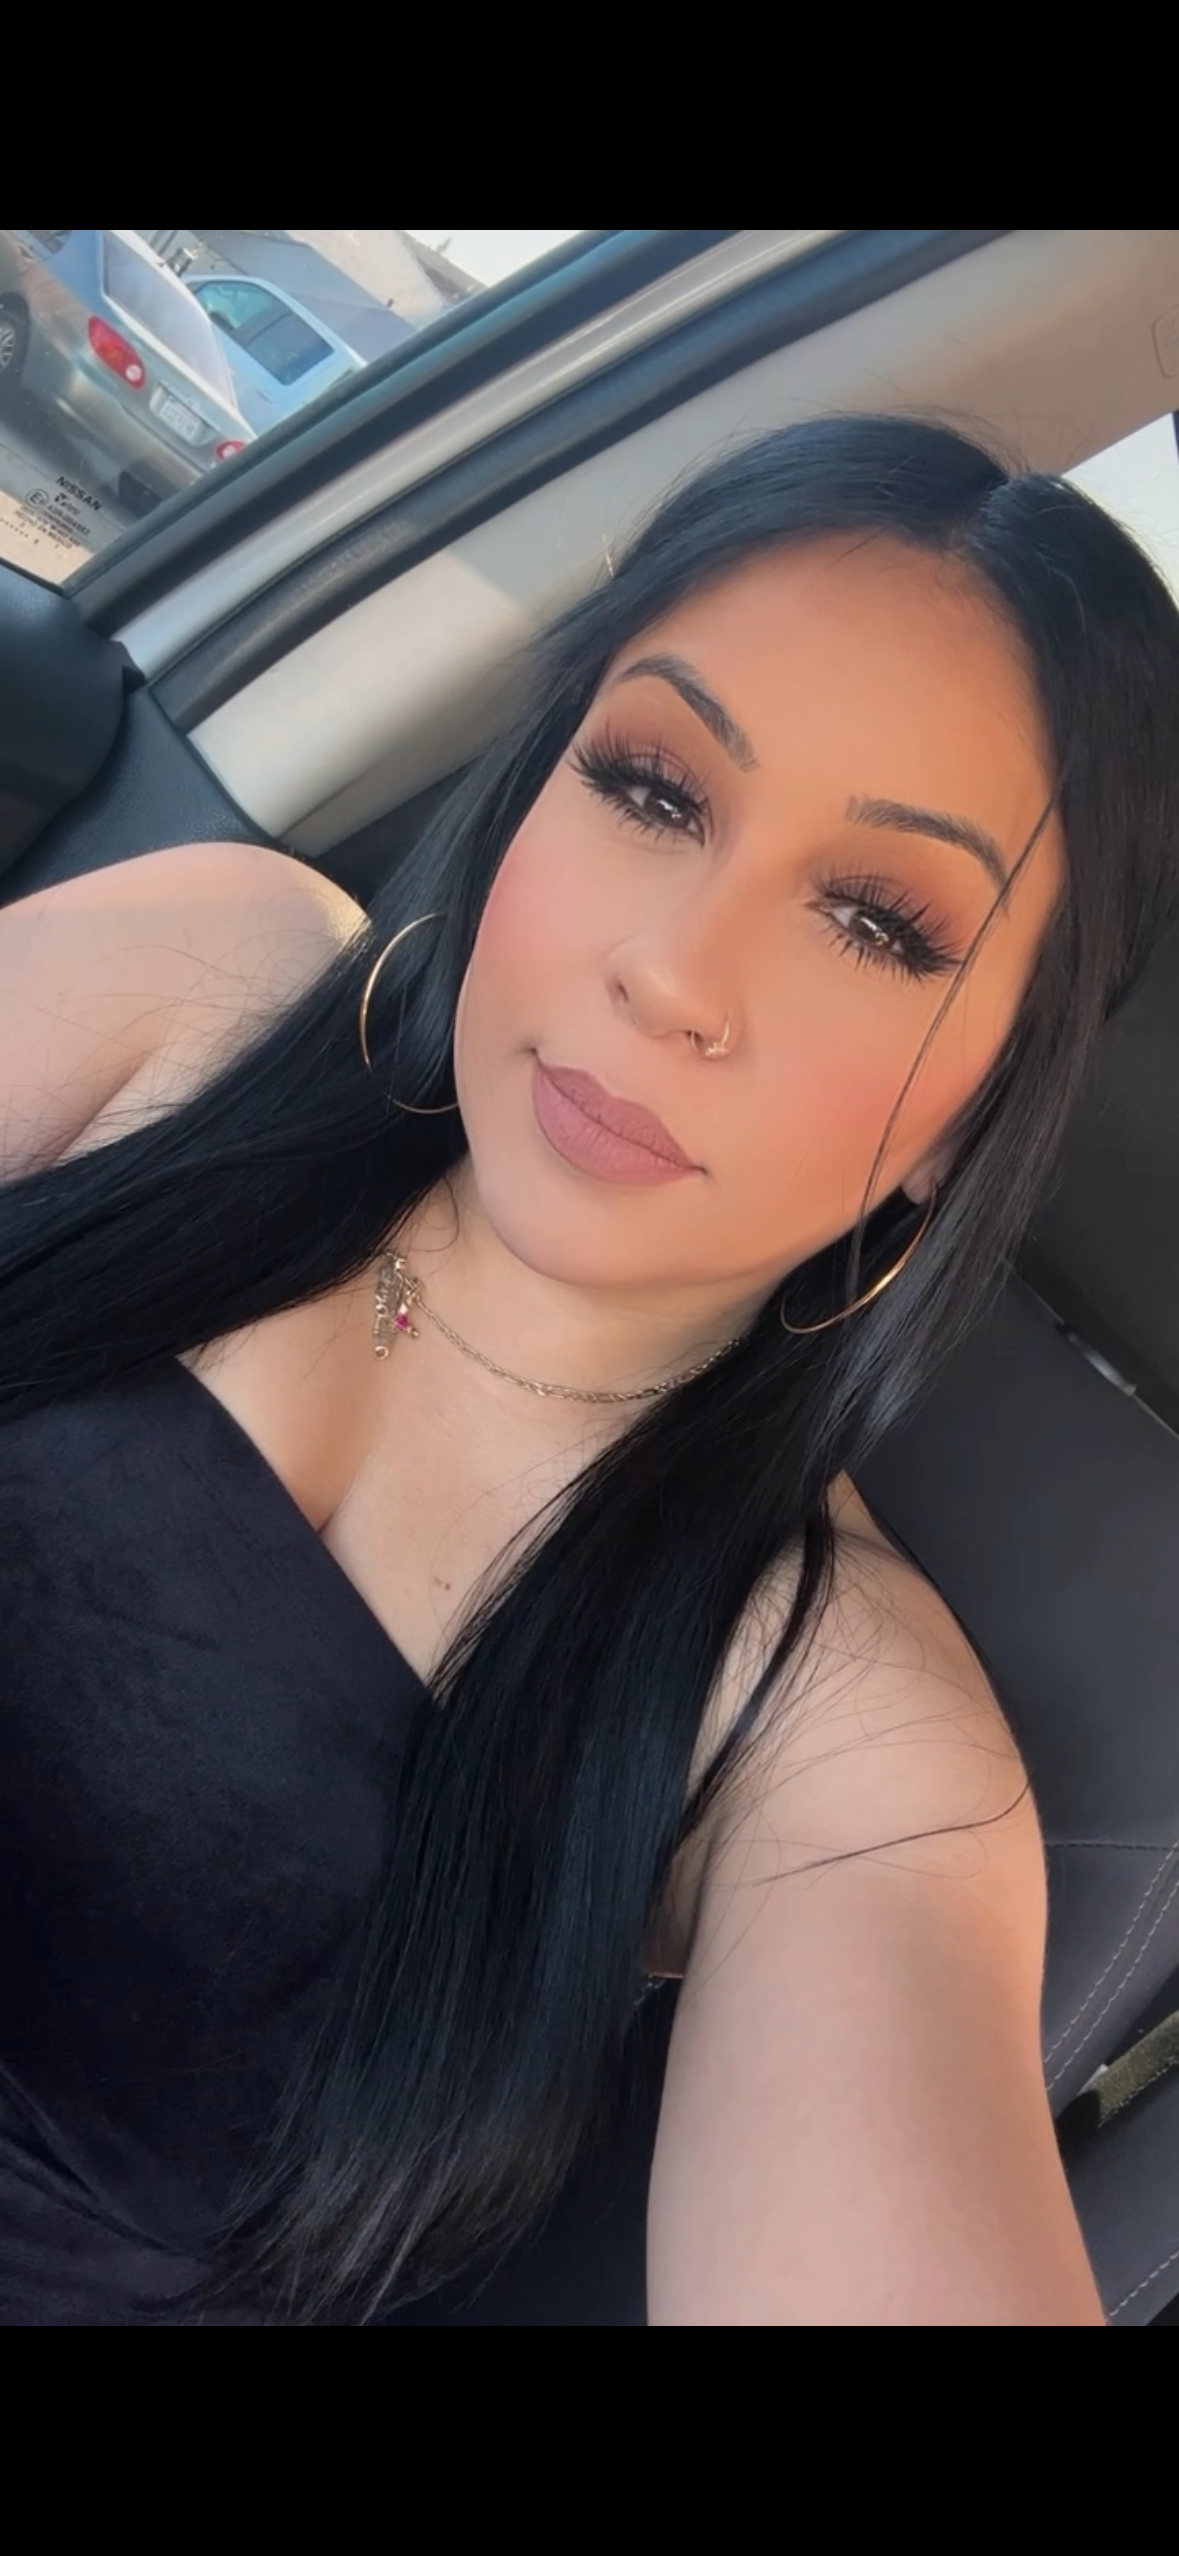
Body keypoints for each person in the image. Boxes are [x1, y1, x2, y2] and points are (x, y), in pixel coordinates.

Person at [2, 415, 1177, 2328]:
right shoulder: (201, 978)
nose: (672, 975)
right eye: (650, 786)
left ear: (980, 1107)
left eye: (876, 922)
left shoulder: (834, 1728)